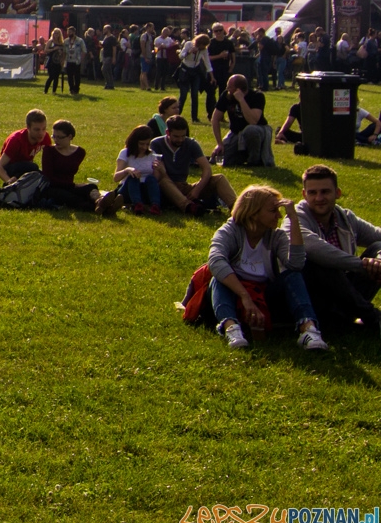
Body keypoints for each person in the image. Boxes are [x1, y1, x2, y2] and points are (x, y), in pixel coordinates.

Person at [205, 185, 326, 351]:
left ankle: (308, 329)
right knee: (218, 280)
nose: (279, 215)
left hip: (264, 292)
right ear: (253, 213)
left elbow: (296, 264)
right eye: (272, 210)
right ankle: (231, 328)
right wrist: (245, 296)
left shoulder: (276, 236)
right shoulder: (230, 231)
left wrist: (294, 219)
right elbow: (216, 261)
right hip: (235, 292)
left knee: (293, 276)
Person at [284, 164, 381, 336]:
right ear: (304, 195)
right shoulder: (295, 219)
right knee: (322, 262)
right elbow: (317, 250)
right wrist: (362, 264)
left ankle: (342, 319)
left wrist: (378, 260)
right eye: (313, 193)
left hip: (345, 291)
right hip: (314, 296)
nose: (319, 198)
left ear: (337, 193)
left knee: (377, 248)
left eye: (325, 192)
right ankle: (371, 316)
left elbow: (378, 237)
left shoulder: (345, 217)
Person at [151, 115, 236, 214]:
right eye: (176, 136)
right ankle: (189, 206)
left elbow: (207, 169)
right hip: (164, 188)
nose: (180, 140)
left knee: (219, 179)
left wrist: (197, 189)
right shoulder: (157, 144)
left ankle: (237, 209)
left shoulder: (190, 144)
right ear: (167, 133)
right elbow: (157, 174)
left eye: (183, 136)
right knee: (163, 180)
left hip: (182, 186)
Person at [37, 120, 122, 213]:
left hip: (69, 186)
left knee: (90, 187)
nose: (56, 140)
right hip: (52, 188)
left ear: (70, 137)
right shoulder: (49, 151)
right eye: (54, 137)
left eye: (60, 137)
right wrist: (69, 185)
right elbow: (48, 176)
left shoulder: (79, 152)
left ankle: (99, 201)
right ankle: (105, 209)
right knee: (73, 198)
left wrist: (72, 186)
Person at [210, 74, 273, 168]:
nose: (227, 89)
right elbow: (215, 119)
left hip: (258, 131)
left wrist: (241, 100)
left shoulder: (257, 96)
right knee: (218, 159)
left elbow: (253, 121)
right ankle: (240, 157)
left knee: (250, 130)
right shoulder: (226, 95)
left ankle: (254, 161)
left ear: (238, 89)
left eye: (230, 87)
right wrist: (219, 144)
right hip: (236, 133)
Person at [115, 125, 163, 215]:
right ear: (134, 141)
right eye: (141, 144)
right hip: (128, 188)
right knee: (133, 177)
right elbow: (116, 178)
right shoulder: (125, 153)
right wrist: (127, 170)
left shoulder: (152, 154)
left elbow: (156, 179)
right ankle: (137, 205)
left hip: (144, 189)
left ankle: (155, 206)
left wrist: (158, 169)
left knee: (151, 178)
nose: (144, 147)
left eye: (147, 144)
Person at [0, 108, 49, 182]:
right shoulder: (17, 140)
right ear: (28, 128)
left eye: (44, 129)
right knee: (32, 167)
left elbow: (50, 161)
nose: (41, 133)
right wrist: (8, 181)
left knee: (42, 177)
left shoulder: (45, 137)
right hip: (10, 167)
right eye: (37, 130)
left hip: (26, 167)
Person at [176, 32, 207, 121]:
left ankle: (194, 117)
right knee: (183, 95)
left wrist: (211, 75)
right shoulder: (188, 44)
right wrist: (189, 52)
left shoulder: (204, 49)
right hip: (185, 70)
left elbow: (207, 62)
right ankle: (177, 114)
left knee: (194, 94)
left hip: (195, 71)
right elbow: (181, 56)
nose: (202, 47)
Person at [43, 28, 65, 95]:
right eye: (55, 33)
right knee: (51, 76)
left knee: (56, 77)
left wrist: (62, 60)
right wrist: (53, 49)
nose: (56, 35)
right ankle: (45, 90)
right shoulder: (50, 41)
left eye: (58, 33)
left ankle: (54, 91)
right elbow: (45, 50)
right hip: (51, 61)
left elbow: (64, 52)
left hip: (58, 61)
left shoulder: (61, 43)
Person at [64, 27, 85, 96]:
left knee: (77, 76)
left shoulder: (80, 40)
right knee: (69, 76)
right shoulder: (66, 41)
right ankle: (71, 89)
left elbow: (84, 51)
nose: (69, 33)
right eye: (68, 32)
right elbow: (64, 51)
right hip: (68, 60)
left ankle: (76, 88)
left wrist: (81, 59)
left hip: (76, 61)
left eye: (70, 32)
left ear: (74, 32)